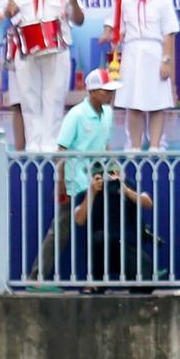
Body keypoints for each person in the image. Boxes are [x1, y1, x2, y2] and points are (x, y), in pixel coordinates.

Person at [0, 0, 84, 153]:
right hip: (27, 51)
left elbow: (79, 20)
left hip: (57, 51)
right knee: (29, 99)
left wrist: (74, 4)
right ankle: (33, 144)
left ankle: (50, 143)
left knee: (54, 97)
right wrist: (5, 11)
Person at [34, 66, 120, 283]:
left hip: (97, 179)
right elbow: (61, 150)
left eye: (111, 90)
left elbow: (105, 144)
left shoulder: (108, 113)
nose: (110, 94)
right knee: (61, 230)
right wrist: (60, 181)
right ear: (91, 91)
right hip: (75, 182)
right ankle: (36, 278)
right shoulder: (76, 115)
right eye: (105, 90)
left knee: (102, 229)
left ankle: (100, 281)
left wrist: (114, 168)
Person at [108, 0, 180, 151]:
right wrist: (115, 42)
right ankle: (135, 145)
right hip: (132, 52)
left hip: (154, 51)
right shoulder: (125, 0)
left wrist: (166, 60)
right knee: (134, 102)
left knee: (156, 102)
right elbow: (120, 29)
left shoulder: (162, 0)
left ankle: (155, 145)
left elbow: (168, 33)